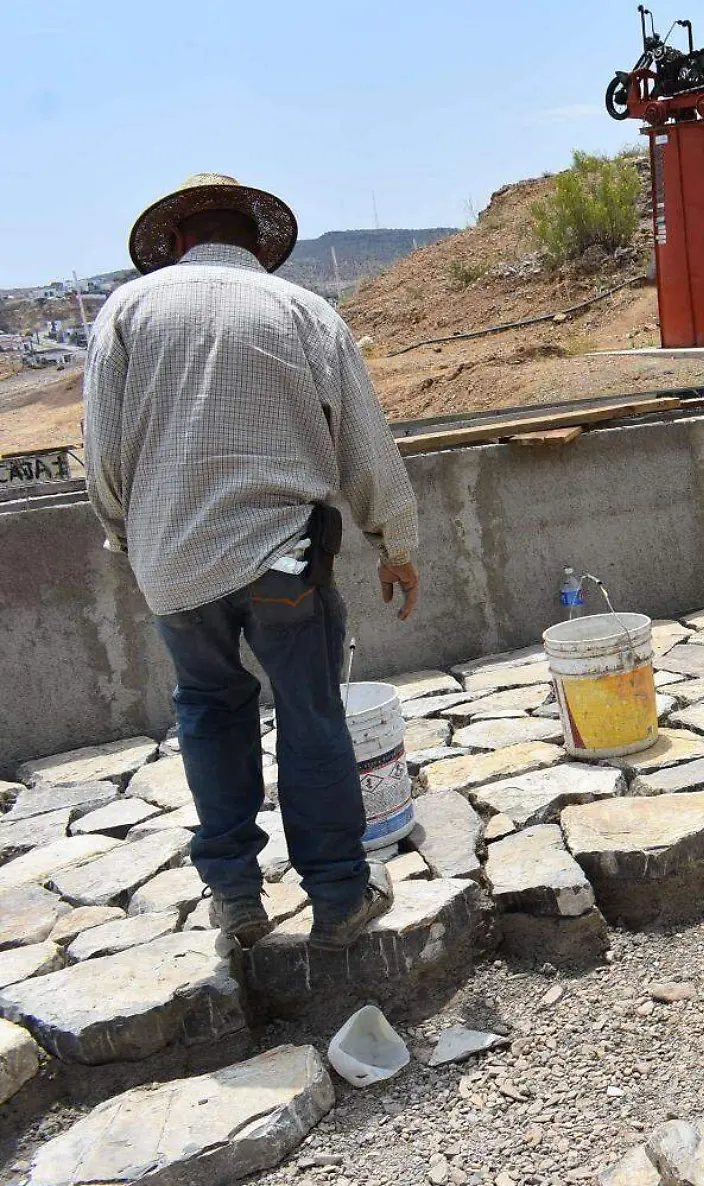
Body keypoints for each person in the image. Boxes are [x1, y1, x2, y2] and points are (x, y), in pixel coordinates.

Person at [84, 174, 422, 950]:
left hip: (174, 565)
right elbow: (364, 446)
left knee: (209, 710)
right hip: (284, 564)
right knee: (310, 716)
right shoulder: (301, 310)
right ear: (254, 244)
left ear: (174, 243)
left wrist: (126, 539)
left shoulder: (128, 312)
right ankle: (338, 895)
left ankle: (237, 897)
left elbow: (102, 453)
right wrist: (394, 546)